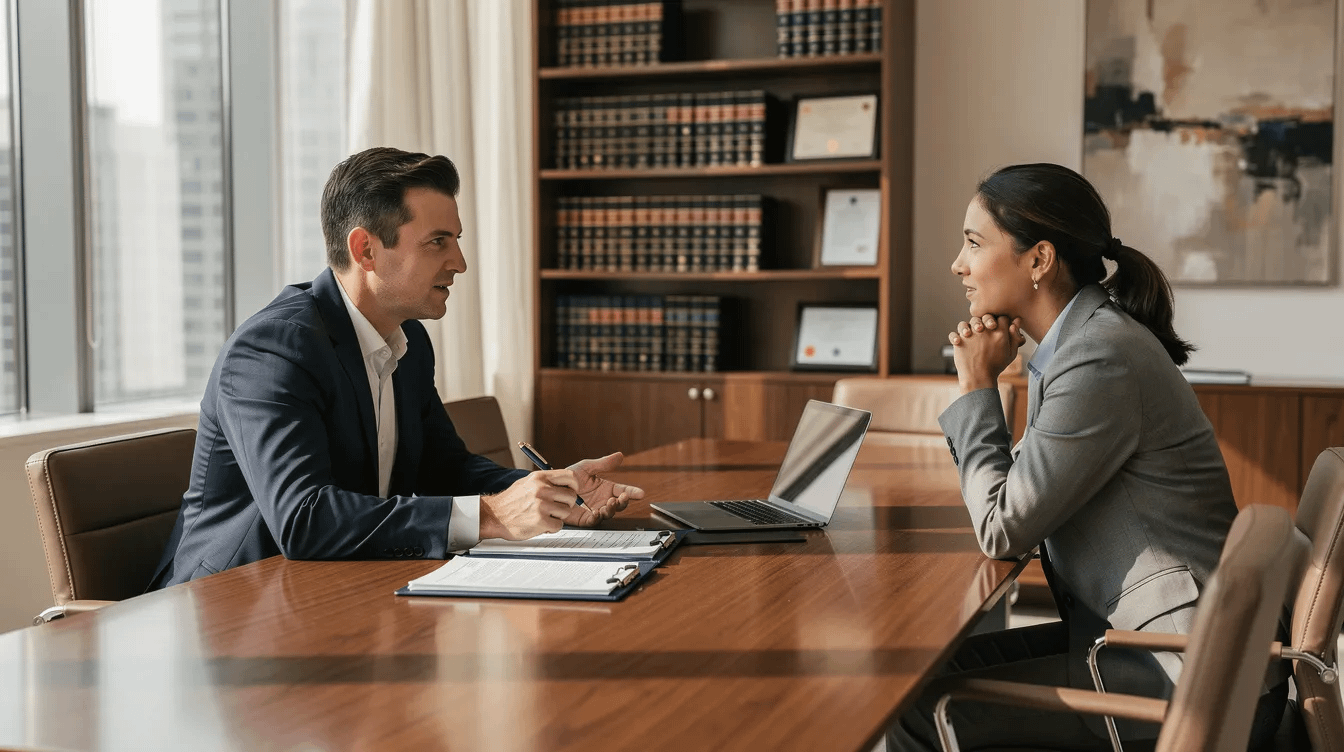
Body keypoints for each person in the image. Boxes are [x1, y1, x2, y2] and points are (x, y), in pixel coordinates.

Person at [887, 163, 1286, 750]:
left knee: (919, 710)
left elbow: (1002, 527)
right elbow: (1021, 489)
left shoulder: (1098, 358)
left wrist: (976, 385)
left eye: (974, 243)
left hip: (1185, 673)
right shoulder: (1080, 343)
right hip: (1149, 644)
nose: (958, 264)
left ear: (1039, 260)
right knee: (924, 677)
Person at [149, 147, 643, 588]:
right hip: (229, 609)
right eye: (438, 242)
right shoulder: (274, 349)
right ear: (365, 249)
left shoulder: (410, 341)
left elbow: (444, 467)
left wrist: (548, 493)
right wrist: (492, 515)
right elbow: (304, 518)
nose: (460, 262)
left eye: (457, 240)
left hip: (339, 589)